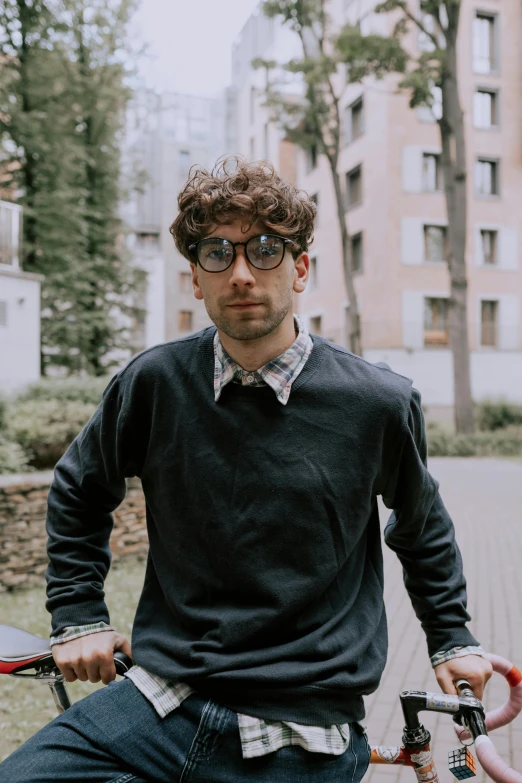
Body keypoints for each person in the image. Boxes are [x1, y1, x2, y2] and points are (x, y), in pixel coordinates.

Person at [0, 157, 492, 783]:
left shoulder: (377, 403)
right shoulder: (153, 384)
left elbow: (421, 526)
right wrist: (79, 616)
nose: (240, 273)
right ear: (196, 278)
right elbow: (79, 486)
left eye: (264, 250)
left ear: (300, 268)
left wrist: (451, 637)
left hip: (302, 725)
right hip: (161, 702)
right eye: (217, 253)